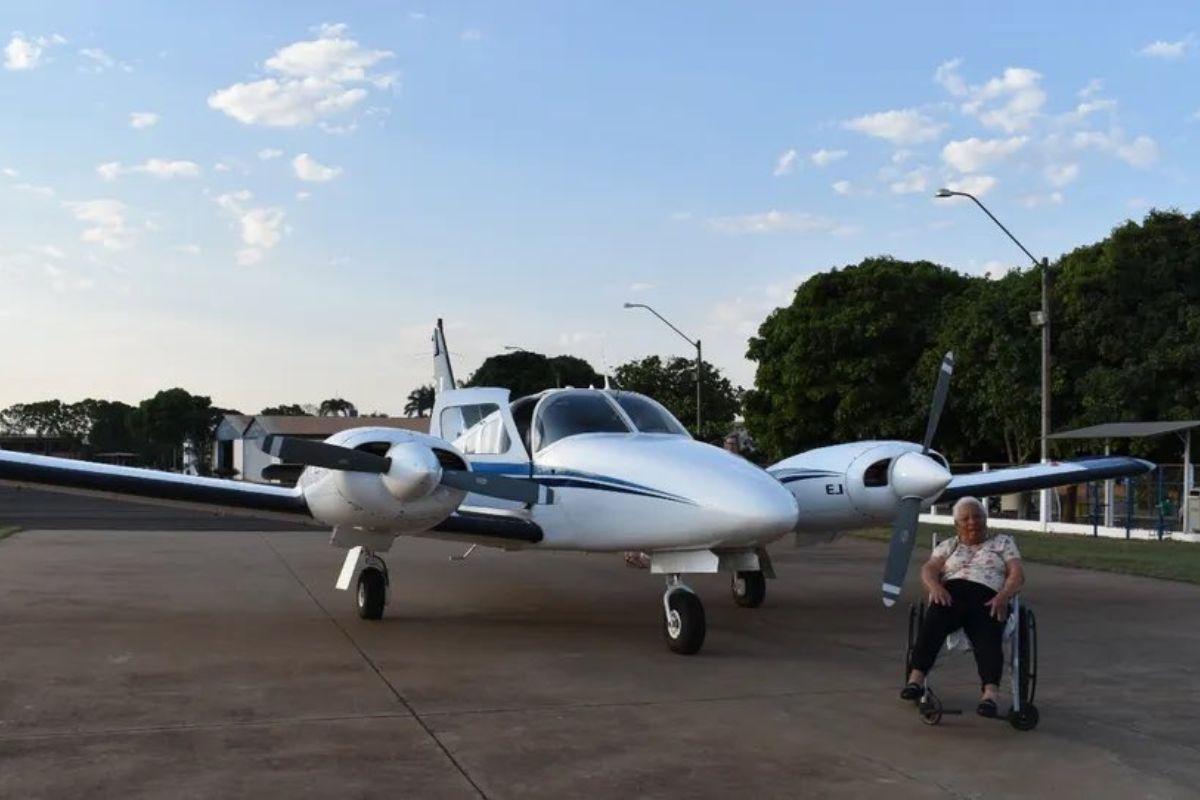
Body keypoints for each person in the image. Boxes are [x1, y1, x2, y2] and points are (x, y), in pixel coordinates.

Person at [900, 496, 1026, 717]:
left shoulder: (1003, 543)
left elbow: (1017, 574)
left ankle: (989, 695)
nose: (972, 522)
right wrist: (935, 587)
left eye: (977, 517)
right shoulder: (948, 546)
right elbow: (929, 569)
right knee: (934, 621)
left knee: (989, 634)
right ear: (956, 524)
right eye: (965, 519)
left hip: (988, 595)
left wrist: (1004, 596)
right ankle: (916, 680)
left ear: (985, 519)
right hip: (952, 593)